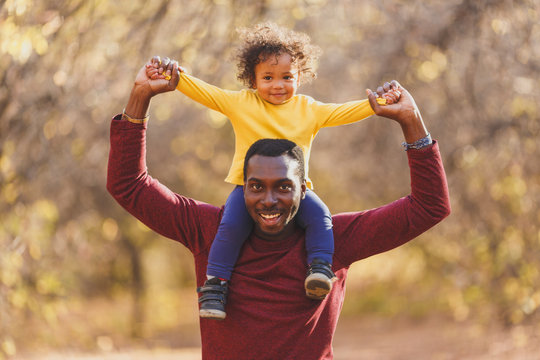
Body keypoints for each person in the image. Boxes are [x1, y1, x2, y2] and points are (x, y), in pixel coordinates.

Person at [106, 59, 450, 359]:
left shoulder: (334, 238)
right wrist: (140, 96)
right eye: (256, 187)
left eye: (283, 187)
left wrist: (412, 121)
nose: (269, 200)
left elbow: (429, 206)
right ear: (242, 186)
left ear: (304, 188)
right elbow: (129, 185)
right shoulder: (210, 230)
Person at [145, 22, 396, 319]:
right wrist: (174, 75)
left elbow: (346, 111)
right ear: (252, 79)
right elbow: (206, 93)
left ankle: (319, 268)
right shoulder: (241, 103)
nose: (278, 85)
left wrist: (379, 102)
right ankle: (214, 287)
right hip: (247, 188)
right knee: (230, 226)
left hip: (295, 192)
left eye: (287, 77)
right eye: (268, 77)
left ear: (300, 76)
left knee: (321, 216)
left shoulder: (309, 110)